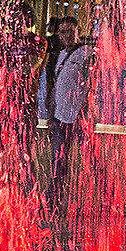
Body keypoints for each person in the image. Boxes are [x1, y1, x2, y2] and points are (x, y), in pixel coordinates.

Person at [45, 19, 96, 207]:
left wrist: (85, 109)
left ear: (78, 31)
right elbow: (56, 85)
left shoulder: (87, 53)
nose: (66, 36)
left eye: (69, 31)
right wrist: (51, 113)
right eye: (62, 32)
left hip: (80, 116)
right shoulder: (59, 55)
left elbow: (92, 83)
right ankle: (53, 201)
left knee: (92, 158)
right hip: (60, 117)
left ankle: (110, 195)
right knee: (58, 161)